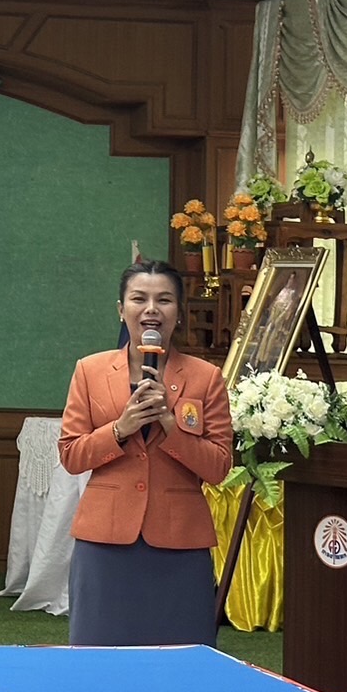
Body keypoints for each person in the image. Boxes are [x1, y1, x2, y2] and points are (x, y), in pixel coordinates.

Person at [57, 260, 233, 647]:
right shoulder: (90, 371)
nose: (151, 309)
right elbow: (71, 455)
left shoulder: (206, 377)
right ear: (121, 310)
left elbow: (219, 466)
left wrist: (170, 424)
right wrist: (120, 429)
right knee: (100, 655)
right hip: (105, 541)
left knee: (180, 659)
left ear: (179, 313)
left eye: (164, 300)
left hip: (180, 543)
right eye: (139, 299)